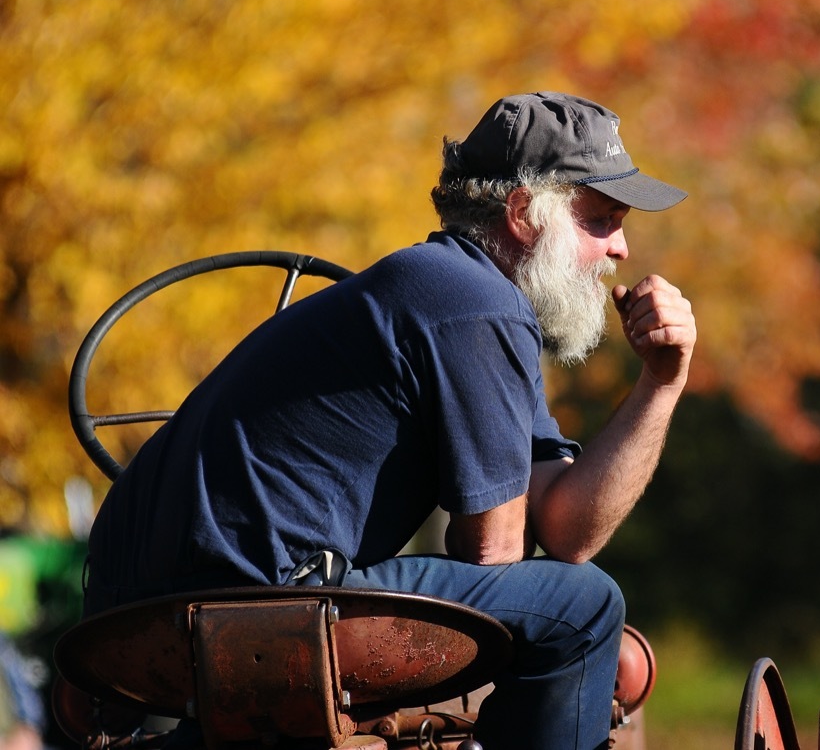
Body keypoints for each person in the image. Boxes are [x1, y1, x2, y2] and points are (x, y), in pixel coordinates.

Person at [83, 91, 696, 750]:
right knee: (586, 610)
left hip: (128, 612)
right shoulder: (474, 304)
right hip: (258, 604)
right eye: (601, 219)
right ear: (522, 214)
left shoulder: (453, 295)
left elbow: (569, 531)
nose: (622, 248)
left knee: (571, 590)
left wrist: (660, 384)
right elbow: (494, 554)